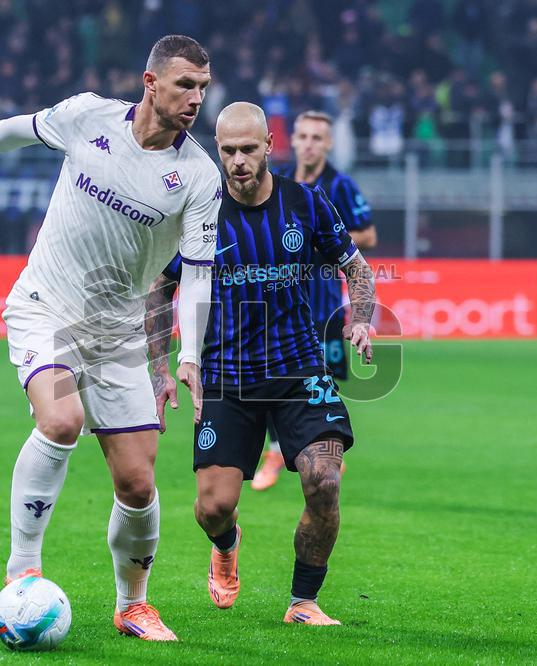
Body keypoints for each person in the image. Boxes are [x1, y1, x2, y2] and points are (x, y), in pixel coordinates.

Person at [0, 35, 219, 642]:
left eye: (203, 87)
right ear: (150, 83)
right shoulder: (88, 117)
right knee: (61, 420)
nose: (195, 98)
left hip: (119, 329)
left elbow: (199, 272)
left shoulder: (197, 177)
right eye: (185, 84)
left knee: (137, 482)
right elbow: (22, 127)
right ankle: (22, 570)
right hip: (46, 304)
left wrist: (190, 355)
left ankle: (133, 605)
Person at [145, 102, 376, 625]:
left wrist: (359, 319)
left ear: (270, 146)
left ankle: (303, 602)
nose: (238, 161)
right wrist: (162, 367)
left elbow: (359, 271)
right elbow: (160, 290)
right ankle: (226, 545)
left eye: (249, 149)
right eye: (228, 150)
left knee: (325, 481)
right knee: (213, 508)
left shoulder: (305, 203)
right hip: (227, 377)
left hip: (299, 369)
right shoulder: (201, 211)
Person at [253, 110, 376, 491]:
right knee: (273, 376)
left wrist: (321, 236)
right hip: (283, 302)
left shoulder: (339, 185)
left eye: (316, 138)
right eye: (303, 136)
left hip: (324, 307)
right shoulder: (281, 181)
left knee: (325, 382)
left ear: (328, 144)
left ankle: (323, 451)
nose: (308, 144)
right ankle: (276, 450)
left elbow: (368, 237)